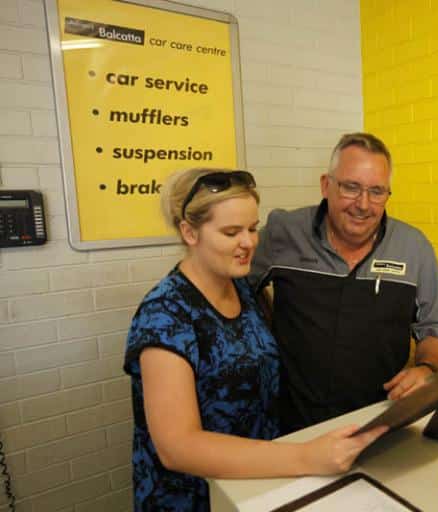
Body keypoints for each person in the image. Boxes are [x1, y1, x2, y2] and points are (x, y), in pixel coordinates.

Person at [123, 168, 386, 511]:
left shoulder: (244, 290)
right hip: (194, 499)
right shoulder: (165, 316)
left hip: (257, 485)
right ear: (189, 232)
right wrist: (305, 456)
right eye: (231, 232)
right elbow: (178, 448)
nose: (248, 243)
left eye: (251, 228)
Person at [250, 132, 438, 433]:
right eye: (351, 187)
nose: (363, 204)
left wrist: (428, 368)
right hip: (292, 427)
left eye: (377, 191)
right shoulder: (284, 232)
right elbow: (231, 286)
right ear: (326, 185)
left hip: (378, 423)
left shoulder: (413, 247)